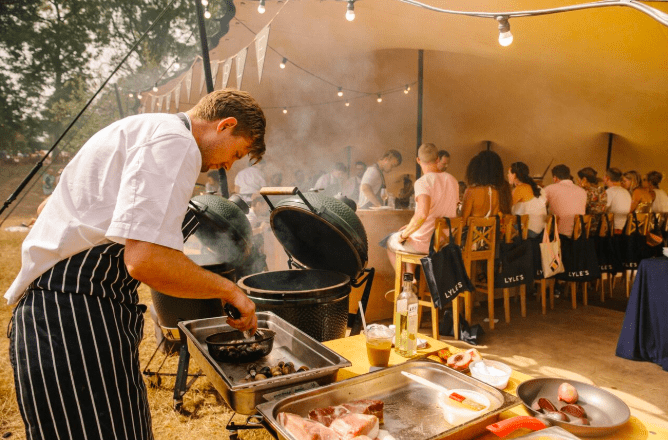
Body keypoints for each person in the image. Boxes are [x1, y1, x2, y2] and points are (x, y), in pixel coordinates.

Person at [5, 89, 264, 440]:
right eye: (236, 152)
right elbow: (145, 261)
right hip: (73, 317)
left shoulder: (138, 129)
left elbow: (48, 207)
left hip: (70, 311)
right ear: (225, 125)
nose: (228, 165)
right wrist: (229, 289)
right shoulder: (177, 142)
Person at [385, 143, 458, 275]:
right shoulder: (453, 180)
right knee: (410, 235)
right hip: (446, 242)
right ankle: (411, 279)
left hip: (428, 243)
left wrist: (403, 235)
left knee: (391, 243)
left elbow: (422, 215)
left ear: (418, 160)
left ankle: (405, 287)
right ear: (437, 160)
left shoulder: (423, 182)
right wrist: (410, 228)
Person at [460, 150, 510, 224]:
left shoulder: (470, 191)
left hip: (471, 234)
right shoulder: (495, 192)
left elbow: (462, 221)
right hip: (490, 234)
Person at [542, 164, 587, 237]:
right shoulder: (582, 191)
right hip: (579, 234)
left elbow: (539, 206)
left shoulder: (549, 189)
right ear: (568, 176)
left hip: (558, 234)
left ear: (555, 178)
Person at [508, 162, 547, 237]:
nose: (507, 175)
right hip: (540, 229)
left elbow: (507, 208)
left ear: (514, 175)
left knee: (501, 230)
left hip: (529, 230)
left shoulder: (521, 188)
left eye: (509, 173)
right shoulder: (536, 187)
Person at [604, 167, 632, 234]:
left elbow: (603, 209)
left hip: (610, 229)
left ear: (607, 178)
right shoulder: (626, 192)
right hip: (623, 228)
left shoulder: (609, 192)